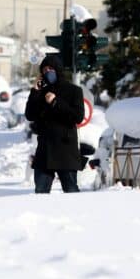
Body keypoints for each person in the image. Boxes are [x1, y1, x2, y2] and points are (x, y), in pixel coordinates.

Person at [25, 56, 85, 194]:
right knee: (40, 191)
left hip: (66, 151)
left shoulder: (74, 91)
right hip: (44, 150)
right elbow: (30, 115)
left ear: (58, 69)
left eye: (51, 69)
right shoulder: (41, 92)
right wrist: (34, 91)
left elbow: (77, 117)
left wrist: (55, 102)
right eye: (45, 70)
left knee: (71, 191)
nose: (48, 72)